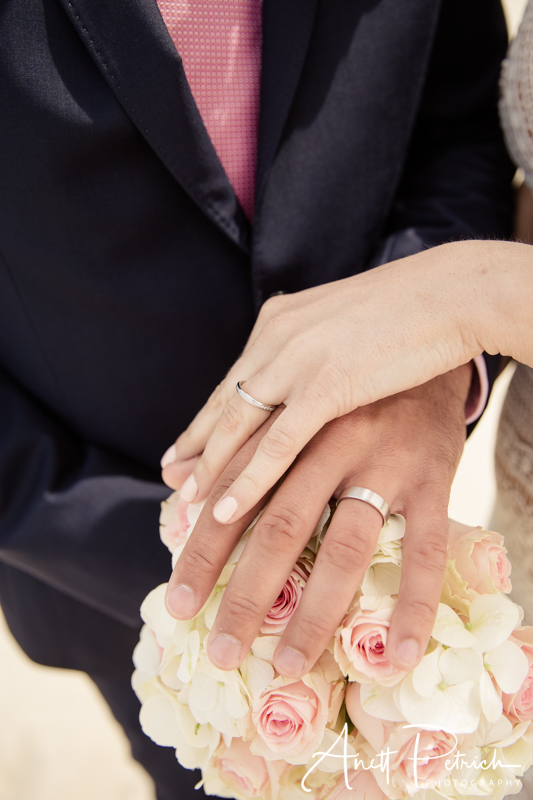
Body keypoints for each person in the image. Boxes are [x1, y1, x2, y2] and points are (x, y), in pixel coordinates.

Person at [0, 0, 514, 797]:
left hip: (428, 559)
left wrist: (436, 364)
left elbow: (456, 111)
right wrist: (190, 590)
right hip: (115, 576)